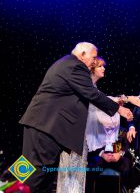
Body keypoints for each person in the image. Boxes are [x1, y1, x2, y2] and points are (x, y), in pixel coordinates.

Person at [19, 42, 133, 193]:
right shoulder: (75, 66)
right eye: (93, 57)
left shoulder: (65, 63)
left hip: (40, 124)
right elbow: (91, 93)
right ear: (82, 54)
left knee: (30, 168)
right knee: (38, 171)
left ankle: (11, 186)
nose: (94, 61)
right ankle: (14, 189)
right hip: (46, 126)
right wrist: (119, 109)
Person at [56, 57, 140, 193]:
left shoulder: (93, 87)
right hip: (67, 133)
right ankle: (15, 185)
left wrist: (118, 153)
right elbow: (99, 100)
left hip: (82, 139)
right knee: (64, 169)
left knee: (77, 172)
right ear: (92, 68)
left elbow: (100, 100)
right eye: (100, 66)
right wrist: (126, 99)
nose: (104, 68)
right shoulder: (85, 84)